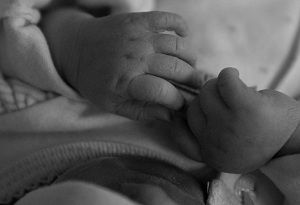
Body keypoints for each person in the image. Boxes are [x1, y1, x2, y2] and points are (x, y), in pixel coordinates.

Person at [1, 1, 300, 205]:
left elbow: (19, 25)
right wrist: (282, 136)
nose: (147, 194)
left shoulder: (18, 123)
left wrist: (77, 47)